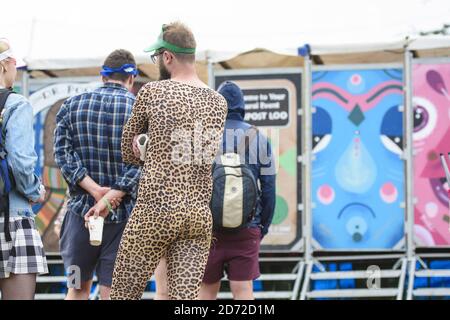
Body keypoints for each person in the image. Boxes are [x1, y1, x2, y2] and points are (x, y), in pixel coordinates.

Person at [108, 22, 227, 300]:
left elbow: (128, 148)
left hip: (156, 209)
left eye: (157, 56)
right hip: (198, 215)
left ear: (168, 57)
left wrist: (145, 150)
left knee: (123, 294)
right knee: (183, 301)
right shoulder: (218, 102)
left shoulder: (153, 92)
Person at [54, 49, 141, 300]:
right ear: (131, 78)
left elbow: (62, 154)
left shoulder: (71, 106)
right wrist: (110, 196)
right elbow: (142, 162)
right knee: (114, 293)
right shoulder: (139, 111)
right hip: (123, 219)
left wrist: (94, 190)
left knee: (75, 287)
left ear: (103, 76)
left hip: (78, 217)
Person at [199, 81, 276, 300]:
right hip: (247, 228)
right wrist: (262, 227)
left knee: (205, 292)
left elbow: (193, 187)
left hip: (209, 231)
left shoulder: (204, 137)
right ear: (242, 106)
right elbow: (269, 189)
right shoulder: (259, 138)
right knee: (243, 292)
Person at [0, 38, 48, 300]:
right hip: (11, 217)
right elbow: (20, 159)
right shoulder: (14, 104)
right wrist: (35, 190)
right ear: (6, 64)